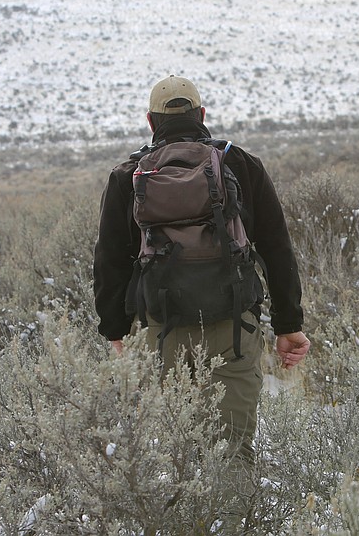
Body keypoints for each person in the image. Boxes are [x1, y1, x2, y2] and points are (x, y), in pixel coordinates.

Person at [92, 74, 310, 467]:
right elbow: (277, 249)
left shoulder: (129, 175)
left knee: (180, 456)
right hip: (234, 328)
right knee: (233, 453)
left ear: (151, 121)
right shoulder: (239, 164)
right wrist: (288, 325)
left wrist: (116, 331)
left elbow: (109, 260)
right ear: (202, 114)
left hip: (162, 330)